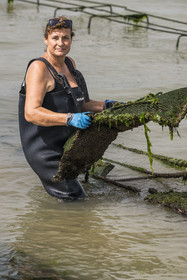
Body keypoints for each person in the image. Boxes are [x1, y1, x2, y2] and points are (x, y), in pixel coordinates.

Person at [19, 16, 116, 200]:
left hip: (66, 146)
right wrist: (69, 118)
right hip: (44, 150)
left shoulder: (69, 63)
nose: (60, 43)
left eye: (65, 38)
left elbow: (81, 103)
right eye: (55, 38)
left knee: (73, 198)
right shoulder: (39, 68)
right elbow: (31, 113)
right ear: (46, 39)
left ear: (71, 39)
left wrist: (106, 105)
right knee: (77, 199)